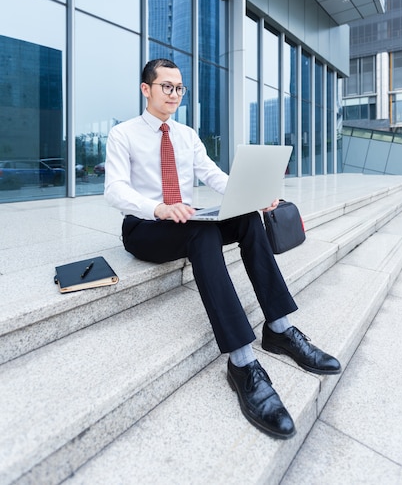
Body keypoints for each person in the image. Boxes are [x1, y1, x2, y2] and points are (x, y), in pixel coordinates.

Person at [104, 58, 341, 439]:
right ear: (146, 89)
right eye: (167, 87)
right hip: (145, 225)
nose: (175, 94)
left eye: (179, 88)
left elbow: (211, 173)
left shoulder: (185, 134)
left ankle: (279, 329)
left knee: (244, 218)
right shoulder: (124, 134)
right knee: (203, 234)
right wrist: (158, 207)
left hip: (184, 218)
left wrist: (253, 195)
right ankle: (242, 363)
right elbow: (114, 189)